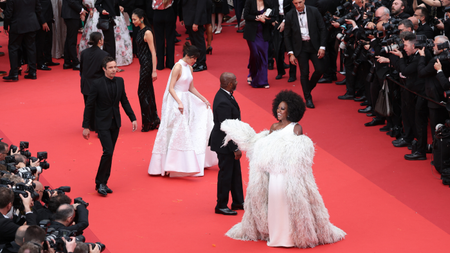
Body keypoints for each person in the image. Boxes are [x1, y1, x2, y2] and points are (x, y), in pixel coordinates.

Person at [222, 90, 346, 247]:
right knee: (274, 202)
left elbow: (298, 154)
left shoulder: (296, 128)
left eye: (282, 109)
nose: (278, 112)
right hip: (274, 174)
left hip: (288, 175)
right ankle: (276, 235)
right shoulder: (274, 127)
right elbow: (265, 149)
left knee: (288, 203)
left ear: (291, 110)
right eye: (278, 108)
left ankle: (290, 237)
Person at [148, 42, 217, 177]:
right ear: (188, 56)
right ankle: (169, 164)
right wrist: (179, 102)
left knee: (187, 128)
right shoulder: (178, 67)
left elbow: (191, 88)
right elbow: (171, 88)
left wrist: (203, 99)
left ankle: (184, 162)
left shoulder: (189, 68)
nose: (195, 61)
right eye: (194, 58)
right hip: (176, 101)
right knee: (176, 130)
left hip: (187, 100)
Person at [82, 56, 138, 196]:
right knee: (108, 151)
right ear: (104, 69)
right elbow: (89, 106)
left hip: (115, 122)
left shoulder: (120, 81)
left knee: (110, 153)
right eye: (111, 68)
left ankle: (104, 182)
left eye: (115, 67)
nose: (114, 70)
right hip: (102, 123)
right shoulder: (97, 84)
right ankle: (99, 182)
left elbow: (124, 100)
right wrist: (86, 126)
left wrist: (132, 117)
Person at [209, 72, 244, 215]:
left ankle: (237, 201)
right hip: (225, 144)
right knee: (226, 175)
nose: (237, 82)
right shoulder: (223, 101)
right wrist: (234, 148)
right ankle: (221, 205)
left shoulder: (225, 95)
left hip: (228, 142)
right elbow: (226, 128)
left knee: (235, 173)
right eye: (235, 81)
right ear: (229, 84)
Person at [284, 0, 327, 108]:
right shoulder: (289, 15)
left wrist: (322, 47)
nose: (298, 5)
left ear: (304, 1)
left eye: (300, 2)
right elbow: (287, 36)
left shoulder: (314, 11)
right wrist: (291, 53)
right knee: (304, 73)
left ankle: (307, 88)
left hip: (314, 46)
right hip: (300, 47)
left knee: (320, 69)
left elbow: (322, 29)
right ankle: (308, 98)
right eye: (295, 3)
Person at [78, 0, 133, 67]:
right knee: (108, 43)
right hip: (105, 19)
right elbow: (97, 5)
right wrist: (102, 11)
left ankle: (110, 63)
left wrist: (119, 7)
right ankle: (109, 64)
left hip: (114, 18)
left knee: (111, 43)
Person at [132, 8, 161, 132]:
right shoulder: (139, 30)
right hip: (143, 64)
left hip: (147, 65)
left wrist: (154, 70)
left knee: (142, 92)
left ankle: (148, 121)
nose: (133, 21)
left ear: (141, 18)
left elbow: (153, 52)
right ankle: (153, 119)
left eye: (135, 19)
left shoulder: (147, 32)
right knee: (148, 92)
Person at [2, 0, 44, 81]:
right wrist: (37, 20)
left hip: (17, 24)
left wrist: (6, 25)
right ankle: (33, 71)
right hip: (31, 23)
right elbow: (38, 9)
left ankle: (14, 73)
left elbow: (9, 12)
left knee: (13, 48)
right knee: (31, 47)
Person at [243, 0, 277, 89]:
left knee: (263, 56)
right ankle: (252, 74)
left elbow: (273, 18)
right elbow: (246, 16)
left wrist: (265, 20)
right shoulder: (249, 1)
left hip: (263, 34)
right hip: (251, 34)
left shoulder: (269, 2)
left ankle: (262, 81)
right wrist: (258, 17)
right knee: (255, 54)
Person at [80, 32, 110, 132]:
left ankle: (89, 124)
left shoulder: (84, 53)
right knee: (99, 106)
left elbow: (82, 69)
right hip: (98, 84)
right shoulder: (104, 54)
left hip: (86, 83)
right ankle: (98, 125)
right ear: (100, 41)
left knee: (88, 104)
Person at [179, 0, 208, 72]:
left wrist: (196, 22)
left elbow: (200, 6)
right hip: (189, 17)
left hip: (196, 19)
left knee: (199, 42)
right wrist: (182, 17)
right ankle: (197, 61)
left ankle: (202, 63)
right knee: (194, 42)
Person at [61, 0, 87, 70]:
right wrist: (81, 10)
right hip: (71, 14)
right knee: (72, 39)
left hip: (71, 14)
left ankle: (67, 61)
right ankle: (75, 62)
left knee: (69, 38)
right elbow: (72, 1)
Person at [152, 0, 176, 70]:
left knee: (159, 40)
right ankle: (170, 63)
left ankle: (160, 64)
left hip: (157, 13)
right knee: (170, 39)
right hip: (169, 12)